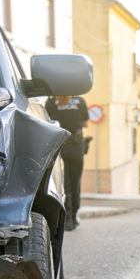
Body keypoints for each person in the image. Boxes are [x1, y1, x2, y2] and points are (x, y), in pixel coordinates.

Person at [45, 95, 89, 230]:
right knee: (75, 182)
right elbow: (86, 123)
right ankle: (74, 215)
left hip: (59, 145)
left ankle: (68, 218)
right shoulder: (80, 101)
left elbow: (47, 123)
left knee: (64, 183)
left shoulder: (51, 102)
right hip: (76, 145)